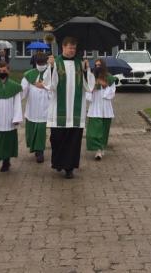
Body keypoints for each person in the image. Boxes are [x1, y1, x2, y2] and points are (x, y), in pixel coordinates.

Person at [43, 36, 95, 179]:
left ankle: (69, 168)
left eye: (74, 48)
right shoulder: (56, 62)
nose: (72, 50)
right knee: (57, 138)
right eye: (70, 47)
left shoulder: (80, 63)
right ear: (63, 47)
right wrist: (52, 67)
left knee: (73, 140)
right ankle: (58, 163)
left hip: (75, 112)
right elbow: (50, 85)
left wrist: (86, 70)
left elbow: (89, 86)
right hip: (59, 109)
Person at [21, 52, 51, 163]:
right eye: (39, 62)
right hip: (32, 107)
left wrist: (45, 86)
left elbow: (55, 90)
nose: (41, 64)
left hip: (45, 107)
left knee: (41, 130)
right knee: (32, 130)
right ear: (36, 62)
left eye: (43, 62)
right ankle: (35, 149)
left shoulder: (51, 74)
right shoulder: (29, 75)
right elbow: (23, 91)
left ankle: (40, 152)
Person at [85, 58, 116, 160]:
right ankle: (97, 147)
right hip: (95, 107)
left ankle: (100, 149)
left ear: (103, 66)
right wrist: (92, 89)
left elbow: (112, 93)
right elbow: (87, 94)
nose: (98, 67)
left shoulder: (109, 78)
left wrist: (105, 86)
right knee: (93, 132)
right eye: (96, 65)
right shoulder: (92, 78)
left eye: (99, 65)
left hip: (106, 108)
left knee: (103, 131)